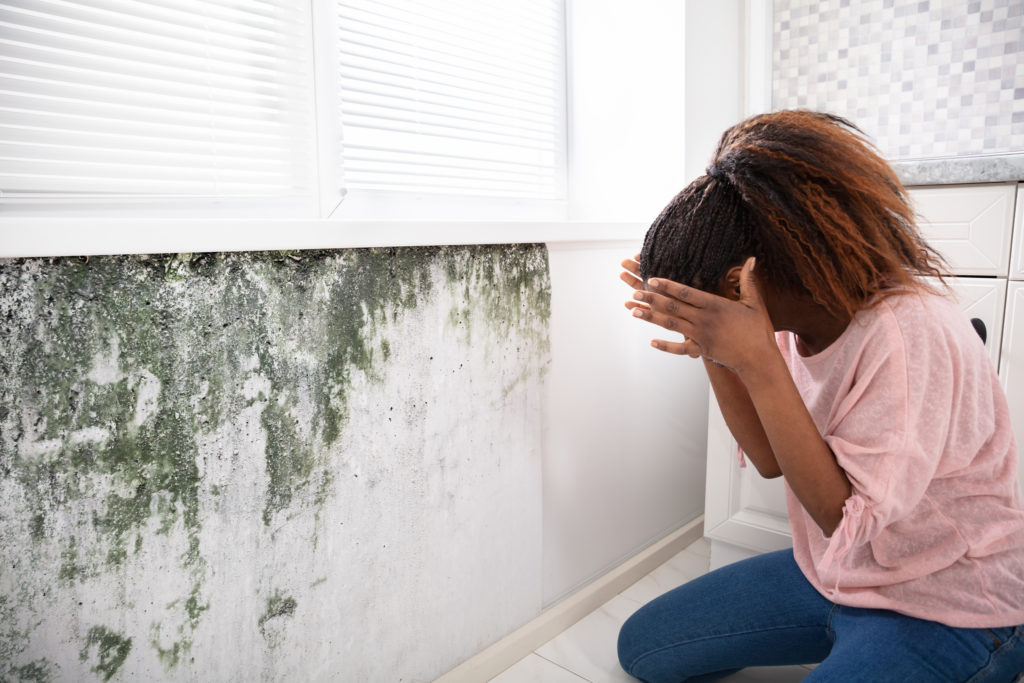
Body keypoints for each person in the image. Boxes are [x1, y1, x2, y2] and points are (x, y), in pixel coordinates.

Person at [616, 110, 1024, 682]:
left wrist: (753, 357)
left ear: (742, 283)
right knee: (644, 648)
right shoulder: (790, 323)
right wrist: (716, 348)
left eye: (707, 305)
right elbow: (765, 460)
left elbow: (841, 515)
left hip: (953, 604)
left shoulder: (907, 333)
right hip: (839, 573)